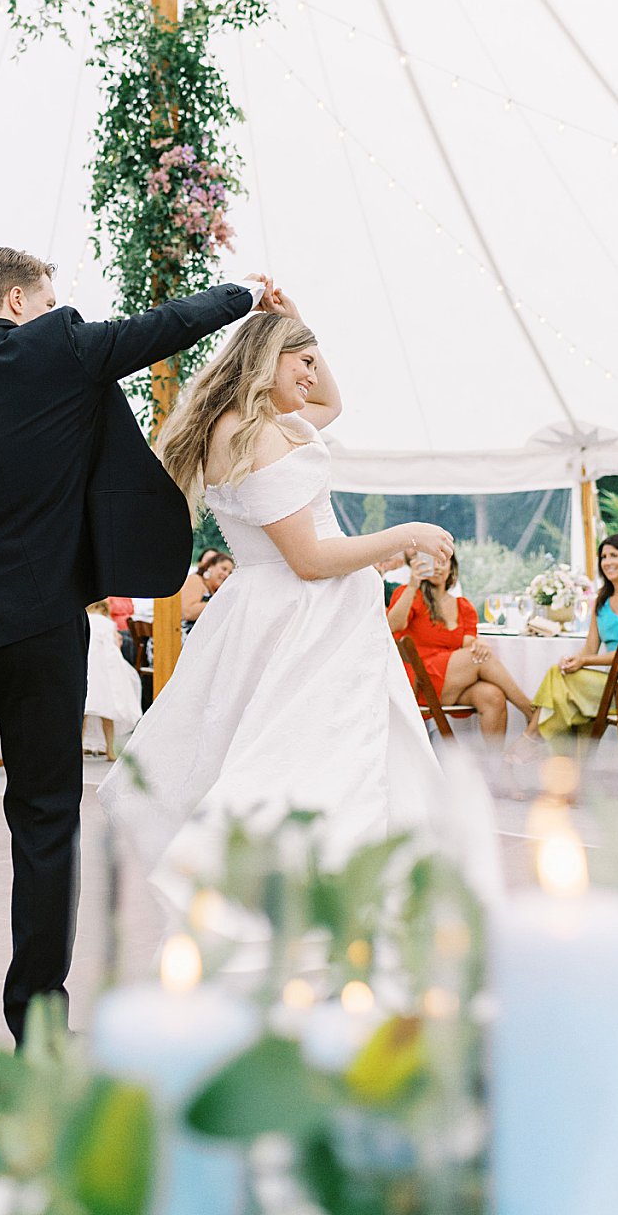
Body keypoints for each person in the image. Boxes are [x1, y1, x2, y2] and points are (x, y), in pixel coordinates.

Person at [0, 246, 264, 1089]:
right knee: (44, 827)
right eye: (47, 297)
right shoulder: (61, 346)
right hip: (41, 637)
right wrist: (247, 294)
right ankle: (38, 1035)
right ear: (18, 299)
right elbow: (166, 326)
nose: (53, 308)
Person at [99, 290, 457, 888]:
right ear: (268, 361)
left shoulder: (260, 427)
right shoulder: (255, 436)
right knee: (306, 758)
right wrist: (402, 536)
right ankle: (304, 885)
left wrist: (297, 327)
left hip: (279, 609)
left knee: (323, 752)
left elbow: (332, 405)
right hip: (305, 615)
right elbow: (310, 559)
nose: (315, 377)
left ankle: (332, 880)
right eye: (304, 363)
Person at [388, 551, 538, 745]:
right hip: (420, 681)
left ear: (452, 567)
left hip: (452, 681)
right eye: (431, 562)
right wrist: (413, 584)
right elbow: (392, 626)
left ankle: (497, 769)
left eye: (443, 561)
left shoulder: (463, 606)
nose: (438, 567)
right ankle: (531, 711)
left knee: (492, 695)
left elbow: (468, 644)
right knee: (479, 659)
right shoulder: (409, 593)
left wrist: (479, 644)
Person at [528, 535, 618, 739]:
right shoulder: (602, 600)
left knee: (561, 686)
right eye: (603, 557)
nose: (607, 562)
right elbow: (589, 649)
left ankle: (533, 738)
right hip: (612, 682)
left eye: (614, 556)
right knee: (561, 677)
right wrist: (575, 660)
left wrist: (584, 661)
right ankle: (552, 749)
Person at [82, 600, 140, 756]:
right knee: (108, 714)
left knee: (83, 715)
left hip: (87, 670)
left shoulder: (85, 620)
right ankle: (110, 750)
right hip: (104, 675)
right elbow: (115, 647)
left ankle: (78, 749)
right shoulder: (108, 623)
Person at [178, 552, 233, 629]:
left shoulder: (216, 593)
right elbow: (188, 612)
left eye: (230, 573)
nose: (226, 574)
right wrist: (219, 602)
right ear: (210, 566)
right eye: (224, 569)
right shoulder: (196, 580)